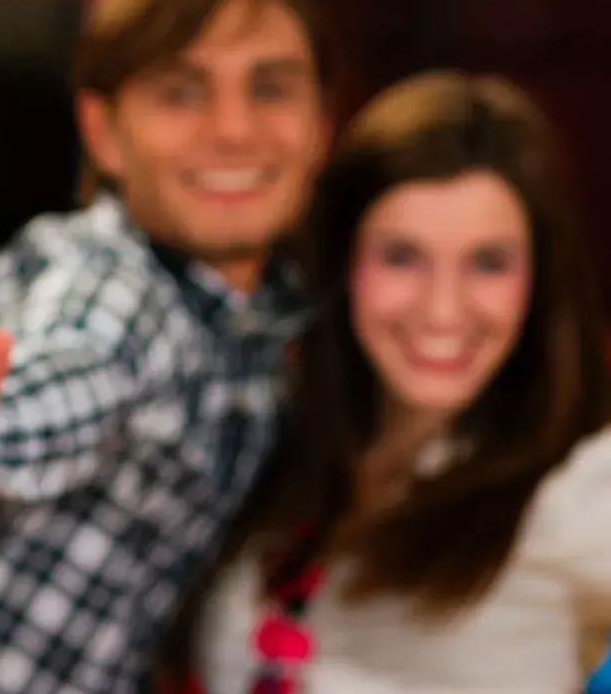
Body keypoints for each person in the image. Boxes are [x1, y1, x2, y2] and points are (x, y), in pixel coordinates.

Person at [0, 0, 333, 694]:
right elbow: (77, 364)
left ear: (321, 123)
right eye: (181, 92)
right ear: (104, 133)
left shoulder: (276, 316)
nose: (234, 128)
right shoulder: (111, 280)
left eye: (271, 87)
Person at [180, 72, 611, 693]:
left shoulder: (573, 490)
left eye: (488, 263)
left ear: (539, 283)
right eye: (402, 257)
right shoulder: (285, 453)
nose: (442, 309)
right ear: (345, 262)